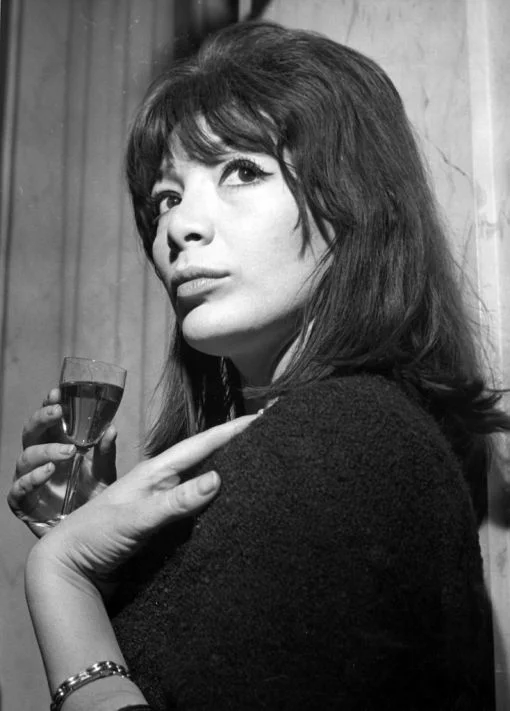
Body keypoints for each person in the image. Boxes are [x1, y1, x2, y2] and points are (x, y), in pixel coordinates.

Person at [9, 19, 510, 711]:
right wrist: (112, 556)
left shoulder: (342, 439)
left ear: (354, 205)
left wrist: (61, 574)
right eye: (166, 197)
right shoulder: (317, 440)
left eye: (242, 171)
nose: (178, 227)